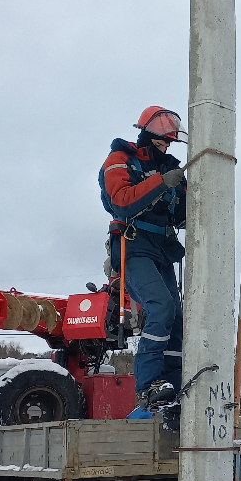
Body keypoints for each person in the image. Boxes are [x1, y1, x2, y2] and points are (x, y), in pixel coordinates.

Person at [99, 106, 188, 404]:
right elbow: (121, 202)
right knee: (161, 307)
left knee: (176, 318)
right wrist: (162, 182)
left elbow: (179, 213)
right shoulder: (120, 160)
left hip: (161, 250)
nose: (166, 148)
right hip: (133, 248)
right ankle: (148, 385)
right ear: (147, 136)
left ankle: (175, 382)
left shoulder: (169, 168)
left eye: (169, 143)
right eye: (162, 142)